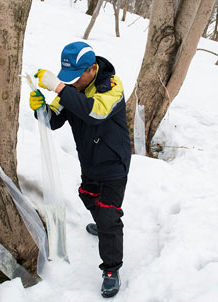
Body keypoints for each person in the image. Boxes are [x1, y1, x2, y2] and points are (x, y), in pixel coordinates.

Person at [29, 41, 131, 298]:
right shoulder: (73, 88)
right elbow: (53, 120)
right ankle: (106, 225)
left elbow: (94, 113)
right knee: (87, 196)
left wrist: (60, 87)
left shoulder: (112, 86)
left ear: (93, 69)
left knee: (108, 216)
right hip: (89, 160)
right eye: (68, 79)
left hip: (114, 163)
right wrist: (41, 108)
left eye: (76, 78)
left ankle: (111, 269)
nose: (73, 83)